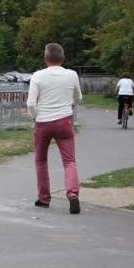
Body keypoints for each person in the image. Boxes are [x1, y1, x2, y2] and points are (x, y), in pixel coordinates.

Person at [26, 43, 83, 214]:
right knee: (69, 161)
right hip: (64, 121)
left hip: (43, 122)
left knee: (41, 161)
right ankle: (73, 194)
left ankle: (44, 198)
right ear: (63, 58)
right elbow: (78, 98)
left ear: (45, 58)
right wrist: (70, 105)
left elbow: (30, 103)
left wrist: (35, 116)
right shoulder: (71, 75)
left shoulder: (38, 76)